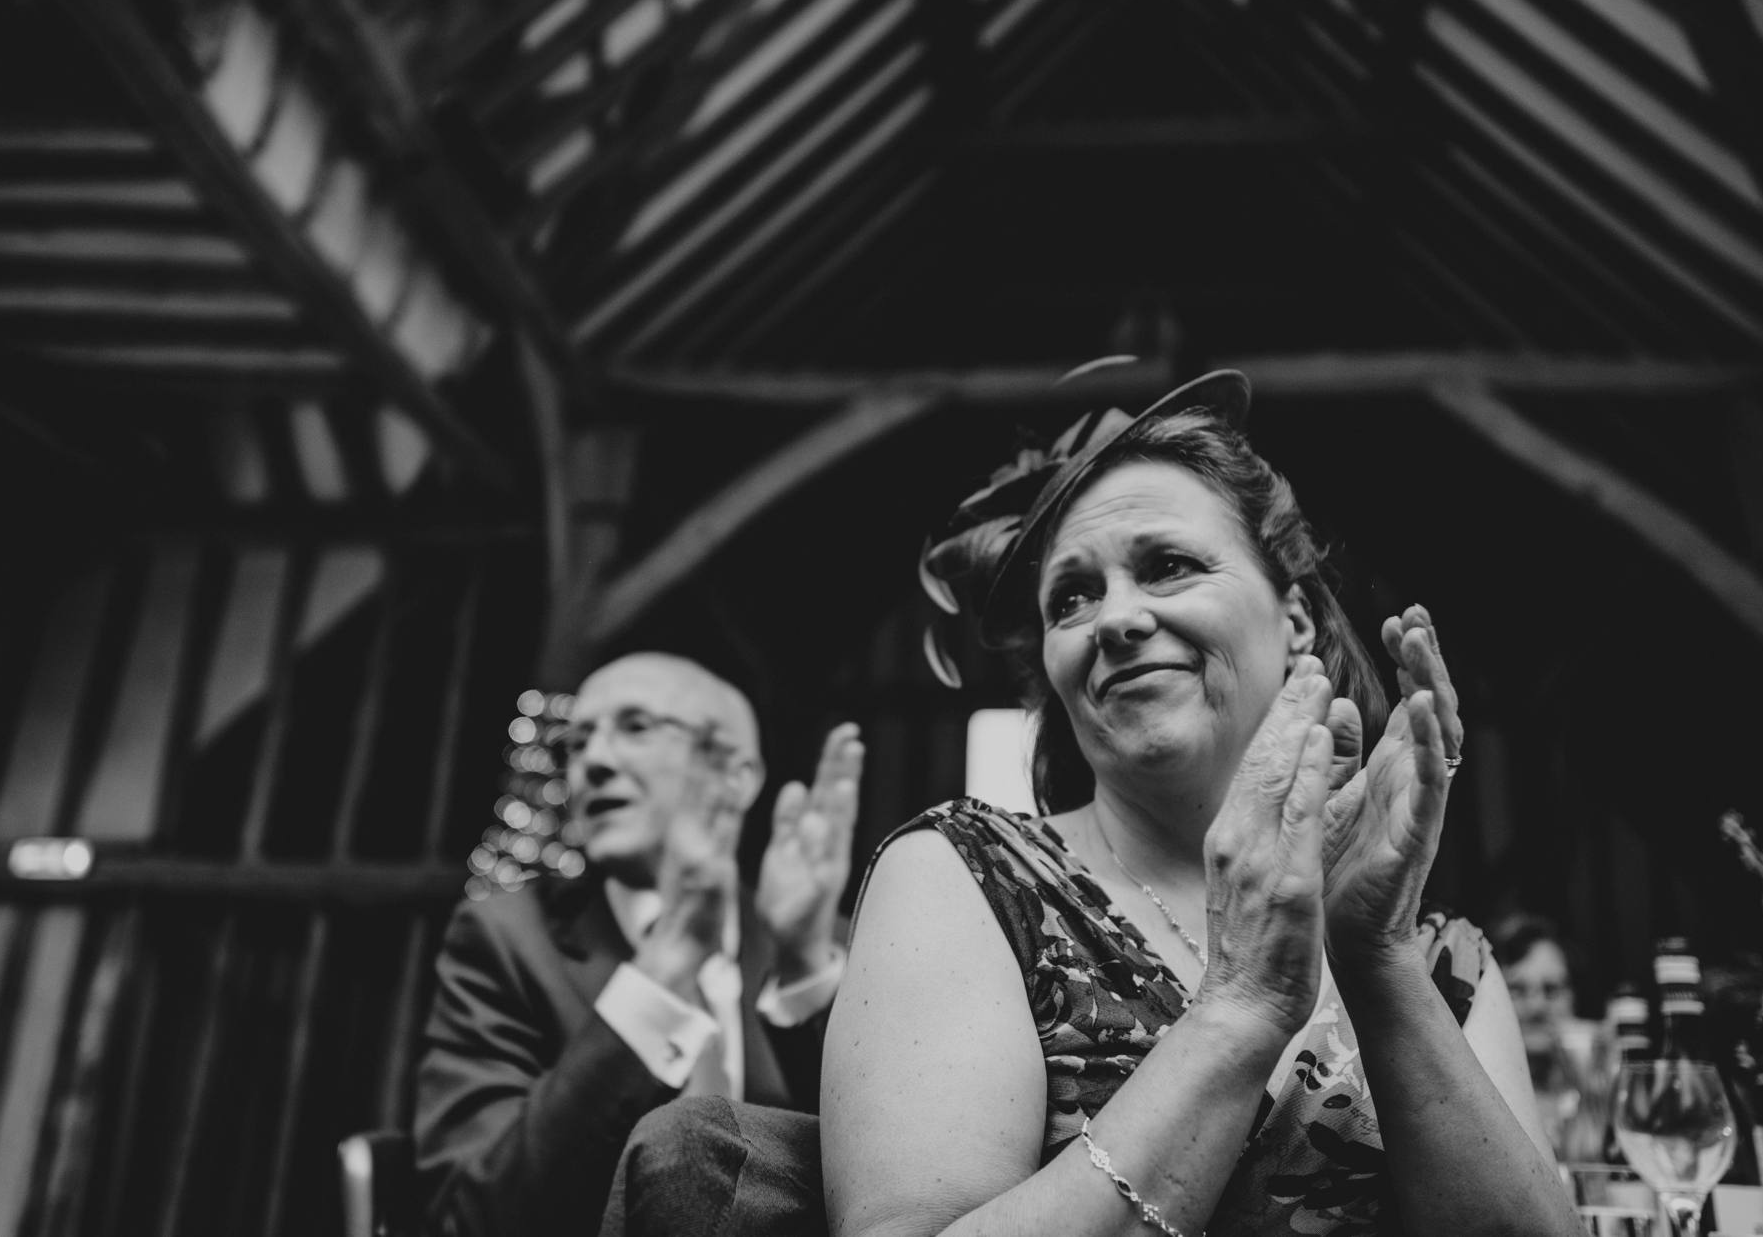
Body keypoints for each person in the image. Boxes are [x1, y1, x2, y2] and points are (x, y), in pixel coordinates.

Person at [820, 362, 1579, 1236]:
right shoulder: (963, 882)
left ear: (1293, 619)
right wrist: (1240, 1007)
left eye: (1169, 566)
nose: (1115, 618)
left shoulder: (1444, 965)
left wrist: (1377, 960)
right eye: (1072, 596)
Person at [414, 651, 865, 1237]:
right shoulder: (506, 938)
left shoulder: (825, 943)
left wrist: (803, 964)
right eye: (576, 743)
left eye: (636, 728)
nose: (592, 762)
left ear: (735, 774)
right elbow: (475, 1219)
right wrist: (667, 963)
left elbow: (887, 1186)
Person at [1490, 911, 1605, 1163]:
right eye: (1517, 989)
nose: (1537, 1005)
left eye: (1551, 989)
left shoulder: (1603, 1080)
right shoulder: (1479, 1099)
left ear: (1574, 997)